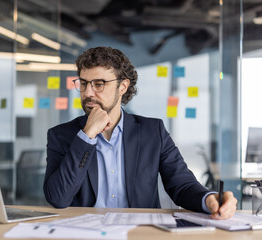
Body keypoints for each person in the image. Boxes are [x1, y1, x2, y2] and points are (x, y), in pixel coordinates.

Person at [43, 46, 237, 220]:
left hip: (139, 231)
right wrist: (86, 136)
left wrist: (210, 199)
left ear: (123, 87)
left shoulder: (153, 132)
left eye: (99, 84)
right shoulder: (61, 135)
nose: (88, 93)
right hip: (85, 233)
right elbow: (58, 198)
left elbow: (182, 184)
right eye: (84, 83)